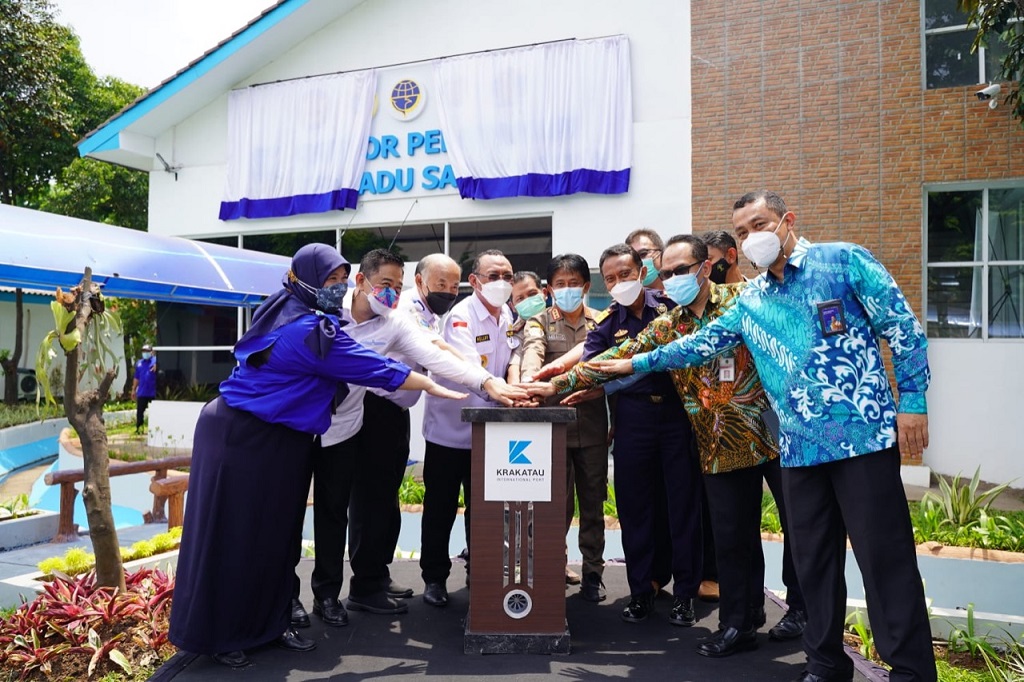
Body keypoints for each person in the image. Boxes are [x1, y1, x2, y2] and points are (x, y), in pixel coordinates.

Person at [587, 190, 935, 682]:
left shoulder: (843, 261)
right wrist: (631, 362)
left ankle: (911, 671)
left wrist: (913, 404)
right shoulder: (752, 300)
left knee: (885, 561)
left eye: (760, 224)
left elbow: (902, 329)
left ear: (787, 220)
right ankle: (825, 663)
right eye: (744, 231)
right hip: (798, 446)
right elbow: (696, 344)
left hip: (862, 437)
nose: (753, 238)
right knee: (814, 565)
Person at [168, 244, 466, 669]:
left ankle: (267, 625)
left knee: (275, 535)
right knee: (236, 535)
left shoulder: (302, 314)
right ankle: (220, 633)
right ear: (301, 278)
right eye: (331, 281)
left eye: (341, 280)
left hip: (281, 437)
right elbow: (370, 366)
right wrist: (434, 385)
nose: (338, 289)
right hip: (241, 437)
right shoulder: (303, 328)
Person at [530, 235, 805, 657]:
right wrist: (551, 385)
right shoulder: (670, 323)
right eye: (670, 271)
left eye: (682, 269)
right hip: (720, 438)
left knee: (798, 526)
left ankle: (804, 611)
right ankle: (740, 621)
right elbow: (615, 355)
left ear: (705, 267)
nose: (675, 278)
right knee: (733, 536)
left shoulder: (745, 297)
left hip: (773, 430)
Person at [300, 249, 526, 625]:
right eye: (385, 285)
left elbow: (435, 353)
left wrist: (485, 382)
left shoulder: (395, 320)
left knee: (367, 505)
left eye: (397, 286)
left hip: (353, 423)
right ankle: (316, 595)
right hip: (310, 423)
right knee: (326, 510)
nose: (391, 293)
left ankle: (355, 588)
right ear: (360, 281)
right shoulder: (323, 314)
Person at [571, 243, 702, 626]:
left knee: (683, 509)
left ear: (641, 272)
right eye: (610, 278)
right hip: (633, 423)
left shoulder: (671, 306)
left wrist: (618, 376)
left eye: (624, 274)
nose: (618, 283)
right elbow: (591, 369)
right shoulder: (607, 324)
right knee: (635, 509)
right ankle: (642, 591)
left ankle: (685, 595)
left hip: (678, 419)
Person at [420, 249, 518, 608]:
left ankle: (480, 568)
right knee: (440, 509)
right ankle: (434, 578)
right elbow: (465, 367)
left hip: (490, 432)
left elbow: (512, 357)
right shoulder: (461, 317)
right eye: (493, 276)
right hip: (451, 432)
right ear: (474, 282)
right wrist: (499, 389)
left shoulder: (508, 313)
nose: (502, 283)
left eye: (507, 275)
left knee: (485, 509)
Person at [520, 254, 609, 602]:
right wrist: (529, 379)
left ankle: (592, 573)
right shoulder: (539, 322)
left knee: (593, 504)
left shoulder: (602, 321)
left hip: (591, 429)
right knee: (554, 505)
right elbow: (532, 351)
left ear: (586, 287)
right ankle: (554, 565)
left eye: (574, 283)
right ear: (549, 289)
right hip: (552, 430)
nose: (567, 289)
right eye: (560, 284)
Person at [506, 271, 545, 384]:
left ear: (544, 293)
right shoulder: (516, 333)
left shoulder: (560, 320)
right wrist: (518, 394)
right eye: (520, 299)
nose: (527, 301)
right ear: (512, 307)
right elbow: (514, 367)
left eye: (532, 294)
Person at [131, 344, 157, 433]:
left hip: (154, 392)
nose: (145, 353)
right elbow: (136, 377)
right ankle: (139, 428)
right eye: (144, 351)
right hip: (142, 392)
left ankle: (155, 428)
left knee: (155, 412)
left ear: (151, 352)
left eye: (147, 351)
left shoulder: (156, 361)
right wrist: (134, 389)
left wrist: (157, 365)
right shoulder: (139, 363)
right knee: (140, 412)